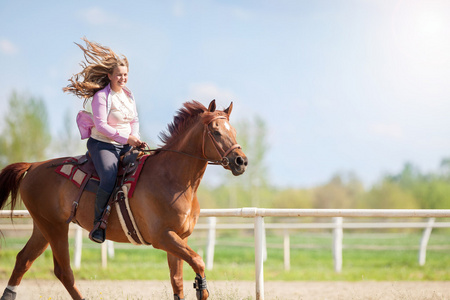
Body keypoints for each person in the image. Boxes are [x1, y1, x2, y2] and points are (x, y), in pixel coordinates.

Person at [63, 38, 145, 243]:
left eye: (125, 75)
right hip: (102, 145)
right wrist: (128, 138)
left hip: (127, 142)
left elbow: (134, 119)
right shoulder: (101, 97)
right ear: (109, 76)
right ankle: (98, 224)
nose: (123, 78)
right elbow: (101, 126)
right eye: (119, 75)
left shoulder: (128, 94)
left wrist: (136, 138)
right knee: (108, 178)